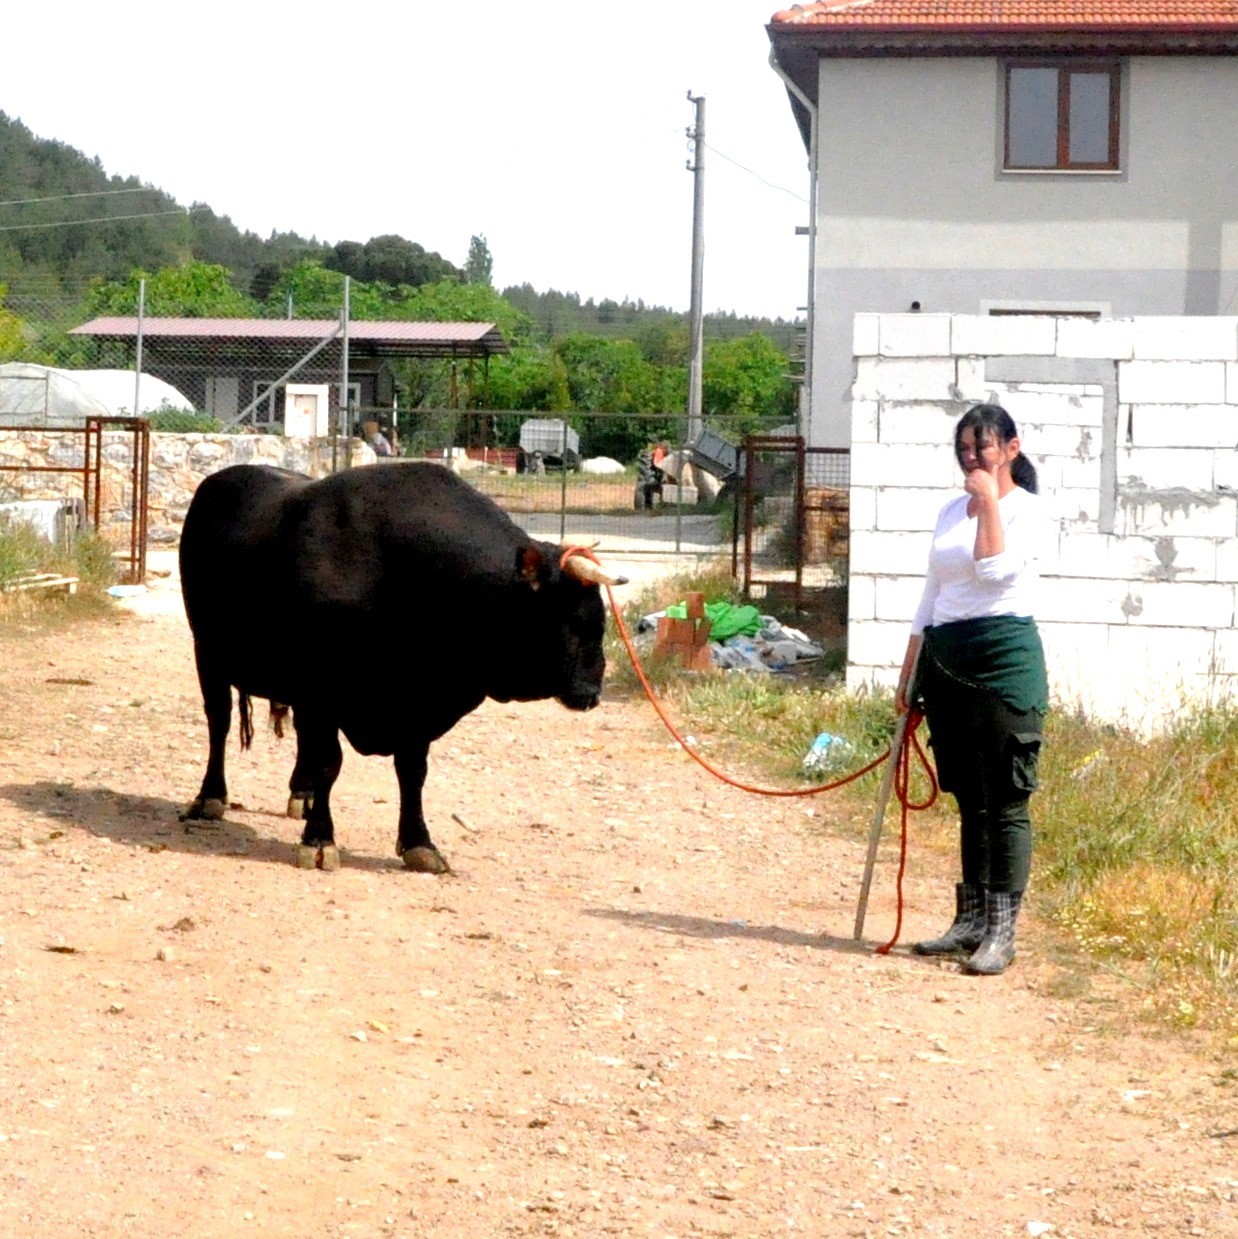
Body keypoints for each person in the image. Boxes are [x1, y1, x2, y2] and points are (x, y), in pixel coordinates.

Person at [894, 403, 1049, 976]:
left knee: (1005, 799)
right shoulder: (946, 512)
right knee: (968, 796)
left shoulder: (1029, 513)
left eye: (981, 447)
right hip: (946, 658)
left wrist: (987, 501)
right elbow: (930, 596)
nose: (970, 457)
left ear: (1010, 447)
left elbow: (992, 570)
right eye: (963, 448)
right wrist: (909, 674)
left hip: (1004, 658)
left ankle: (1002, 933)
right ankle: (971, 921)